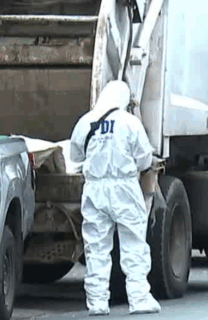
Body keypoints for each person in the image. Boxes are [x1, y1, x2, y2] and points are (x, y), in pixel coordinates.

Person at [69, 80, 161, 316]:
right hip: (124, 188)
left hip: (95, 189)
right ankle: (139, 299)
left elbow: (75, 155)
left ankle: (97, 303)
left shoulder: (84, 122)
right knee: (133, 244)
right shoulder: (130, 122)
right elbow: (143, 159)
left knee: (96, 247)